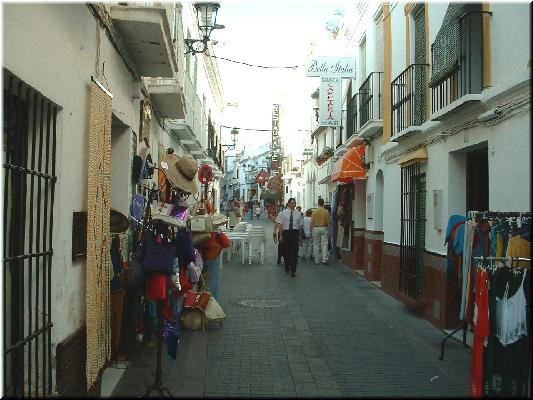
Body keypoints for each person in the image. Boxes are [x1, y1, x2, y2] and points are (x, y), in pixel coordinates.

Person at [276, 198, 304, 277]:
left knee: (294, 252)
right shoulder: (283, 213)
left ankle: (293, 270)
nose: (293, 205)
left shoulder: (298, 214)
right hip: (286, 233)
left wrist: (300, 237)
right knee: (286, 251)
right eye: (292, 203)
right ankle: (287, 266)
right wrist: (281, 235)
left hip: (294, 233)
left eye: (294, 203)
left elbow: (300, 226)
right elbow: (280, 225)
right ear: (288, 204)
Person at [311, 198, 331, 265]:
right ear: (323, 203)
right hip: (323, 228)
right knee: (324, 244)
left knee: (316, 245)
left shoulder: (314, 212)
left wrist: (311, 230)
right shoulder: (326, 211)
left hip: (316, 228)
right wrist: (328, 229)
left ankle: (316, 260)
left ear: (318, 203)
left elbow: (312, 222)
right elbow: (328, 222)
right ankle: (324, 259)